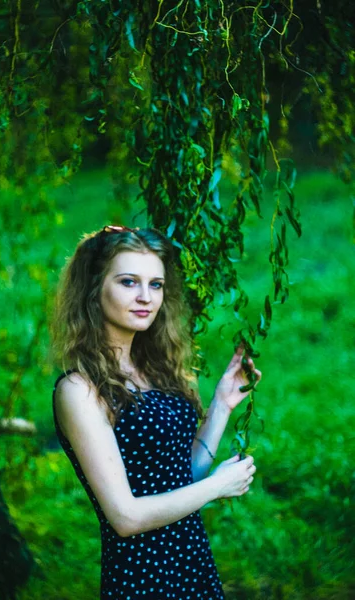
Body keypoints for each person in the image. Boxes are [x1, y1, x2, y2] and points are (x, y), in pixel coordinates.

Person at [52, 225, 261, 600]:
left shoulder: (154, 371)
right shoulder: (79, 390)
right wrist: (217, 487)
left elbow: (179, 476)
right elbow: (125, 517)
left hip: (192, 563)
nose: (145, 297)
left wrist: (222, 405)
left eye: (156, 284)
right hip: (142, 579)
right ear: (94, 288)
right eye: (129, 282)